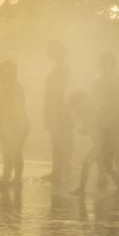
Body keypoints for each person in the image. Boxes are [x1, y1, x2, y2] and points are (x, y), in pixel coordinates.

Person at [70, 90, 119, 196]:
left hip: (102, 144)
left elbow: (100, 127)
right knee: (108, 167)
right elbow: (93, 128)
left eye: (76, 105)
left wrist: (100, 144)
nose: (76, 108)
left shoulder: (91, 113)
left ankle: (81, 189)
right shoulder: (89, 113)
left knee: (86, 164)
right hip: (106, 143)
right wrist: (85, 131)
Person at [92, 53, 119, 189]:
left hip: (116, 118)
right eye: (104, 64)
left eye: (110, 64)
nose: (107, 67)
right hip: (102, 119)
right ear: (101, 65)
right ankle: (102, 175)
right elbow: (94, 101)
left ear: (114, 65)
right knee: (102, 148)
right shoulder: (97, 81)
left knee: (118, 148)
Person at [0, 60, 29, 190]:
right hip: (14, 124)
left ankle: (13, 180)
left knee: (13, 152)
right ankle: (11, 179)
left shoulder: (13, 88)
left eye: (2, 73)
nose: (1, 76)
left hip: (16, 125)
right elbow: (1, 106)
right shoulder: (10, 87)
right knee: (11, 152)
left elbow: (10, 108)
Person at [43, 40, 73, 187]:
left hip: (59, 110)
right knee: (57, 143)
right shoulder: (57, 68)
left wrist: (52, 111)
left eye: (52, 50)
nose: (49, 53)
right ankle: (57, 172)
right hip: (56, 109)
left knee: (60, 142)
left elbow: (58, 92)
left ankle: (60, 173)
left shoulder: (62, 69)